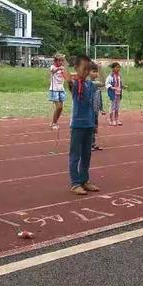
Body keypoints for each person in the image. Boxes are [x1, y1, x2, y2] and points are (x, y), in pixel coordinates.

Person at [64, 54, 100, 195]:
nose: (86, 72)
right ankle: (75, 183)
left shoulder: (89, 84)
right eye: (84, 69)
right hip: (78, 126)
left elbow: (102, 82)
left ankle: (85, 180)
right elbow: (67, 77)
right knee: (75, 155)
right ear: (77, 68)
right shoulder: (75, 84)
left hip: (89, 124)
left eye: (88, 69)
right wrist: (65, 64)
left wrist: (100, 68)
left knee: (87, 155)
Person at [89, 63, 106, 151]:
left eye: (97, 72)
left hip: (95, 111)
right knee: (90, 127)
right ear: (88, 72)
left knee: (94, 128)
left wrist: (101, 108)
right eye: (94, 71)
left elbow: (99, 97)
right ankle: (88, 144)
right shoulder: (89, 83)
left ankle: (93, 143)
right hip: (88, 111)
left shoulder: (96, 84)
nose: (96, 73)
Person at [49, 53, 66, 130]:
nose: (61, 63)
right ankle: (53, 123)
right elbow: (53, 71)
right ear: (55, 61)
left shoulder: (63, 68)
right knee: (58, 107)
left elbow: (66, 76)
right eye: (59, 61)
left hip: (61, 89)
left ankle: (55, 122)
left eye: (62, 61)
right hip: (54, 90)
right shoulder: (53, 67)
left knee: (61, 108)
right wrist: (59, 69)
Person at [106, 62, 126, 126]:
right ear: (113, 68)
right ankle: (111, 120)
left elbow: (120, 84)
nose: (118, 69)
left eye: (119, 67)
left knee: (117, 107)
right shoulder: (110, 76)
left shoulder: (119, 76)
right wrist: (112, 87)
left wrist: (123, 86)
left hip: (118, 93)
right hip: (113, 94)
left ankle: (117, 119)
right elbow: (107, 84)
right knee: (112, 107)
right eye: (116, 67)